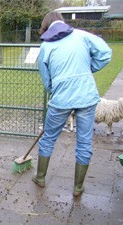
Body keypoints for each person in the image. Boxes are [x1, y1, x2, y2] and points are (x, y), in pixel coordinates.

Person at [32, 11, 112, 196]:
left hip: (61, 99)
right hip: (87, 97)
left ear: (46, 27)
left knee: (48, 138)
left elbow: (47, 81)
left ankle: (40, 177)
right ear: (62, 22)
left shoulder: (46, 46)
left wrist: (58, 87)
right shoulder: (82, 35)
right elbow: (105, 53)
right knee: (84, 142)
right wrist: (88, 69)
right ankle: (78, 188)